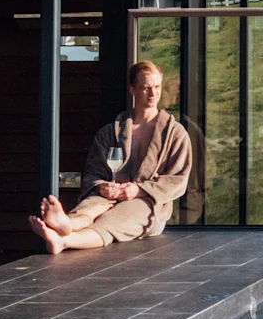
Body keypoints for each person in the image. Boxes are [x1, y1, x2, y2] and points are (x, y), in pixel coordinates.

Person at [29, 61, 193, 254]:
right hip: (111, 195)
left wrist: (139, 190)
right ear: (132, 89)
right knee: (89, 208)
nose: (153, 94)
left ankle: (65, 240)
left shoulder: (174, 133)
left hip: (148, 204)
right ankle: (67, 223)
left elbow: (178, 180)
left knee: (113, 220)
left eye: (157, 87)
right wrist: (101, 186)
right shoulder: (111, 132)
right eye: (146, 88)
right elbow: (93, 172)